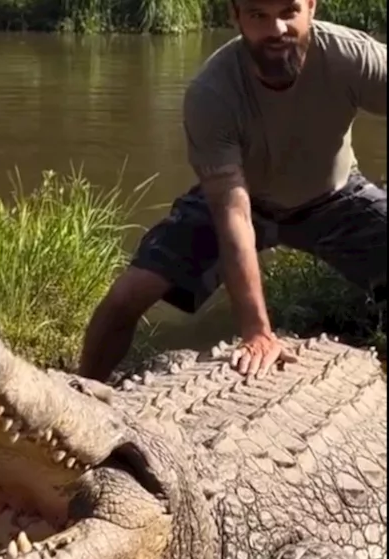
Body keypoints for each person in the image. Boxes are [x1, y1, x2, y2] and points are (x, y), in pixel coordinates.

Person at [78, 1, 385, 382]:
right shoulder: (212, 92)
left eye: (289, 11)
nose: (276, 29)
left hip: (333, 197)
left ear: (311, 8)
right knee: (125, 298)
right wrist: (256, 330)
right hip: (243, 200)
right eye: (258, 14)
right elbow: (232, 212)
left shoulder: (352, 57)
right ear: (235, 16)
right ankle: (80, 395)